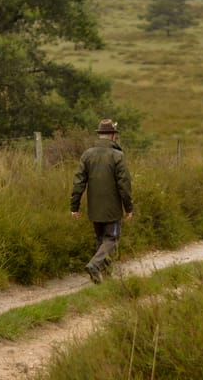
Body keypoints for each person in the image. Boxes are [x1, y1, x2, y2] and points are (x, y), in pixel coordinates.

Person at [71, 119, 133, 284]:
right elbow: (124, 185)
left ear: (99, 135)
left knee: (100, 240)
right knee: (112, 239)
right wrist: (129, 208)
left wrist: (74, 206)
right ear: (113, 135)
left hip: (94, 208)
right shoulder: (117, 156)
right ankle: (94, 265)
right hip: (112, 209)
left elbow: (78, 182)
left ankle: (105, 277)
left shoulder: (87, 154)